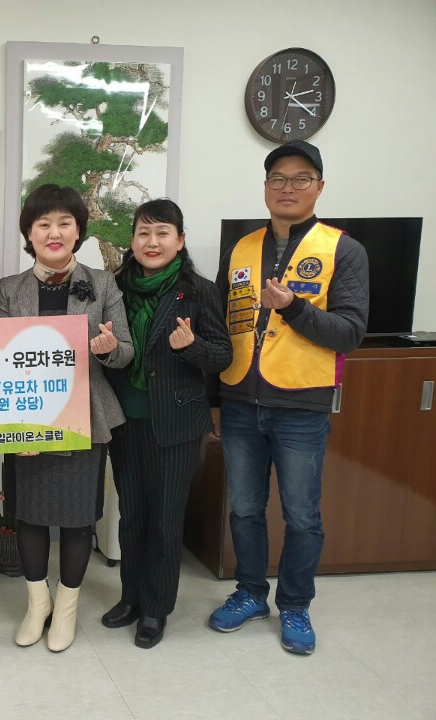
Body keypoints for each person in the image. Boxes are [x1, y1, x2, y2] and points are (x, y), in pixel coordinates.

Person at [207, 140, 369, 655]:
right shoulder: (241, 247)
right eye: (278, 178)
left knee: (301, 514)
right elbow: (220, 328)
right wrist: (215, 398)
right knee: (244, 508)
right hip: (239, 401)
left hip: (301, 405)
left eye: (301, 179)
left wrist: (294, 307)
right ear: (265, 187)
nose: (287, 188)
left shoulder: (343, 250)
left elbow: (350, 332)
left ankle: (295, 605)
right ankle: (251, 593)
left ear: (319, 187)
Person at [0, 184, 133, 653]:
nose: (54, 233)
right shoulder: (10, 289)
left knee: (76, 518)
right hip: (25, 417)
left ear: (78, 231)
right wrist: (16, 427)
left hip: (84, 416)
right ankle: (38, 604)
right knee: (29, 515)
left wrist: (108, 349)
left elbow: (126, 351)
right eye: (43, 224)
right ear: (29, 233)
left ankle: (68, 609)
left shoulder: (104, 283)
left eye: (64, 223)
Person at [101, 199, 232, 649]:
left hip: (176, 423)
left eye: (162, 233)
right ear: (132, 240)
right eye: (143, 233)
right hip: (125, 419)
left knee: (165, 519)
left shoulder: (198, 290)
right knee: (132, 515)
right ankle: (131, 598)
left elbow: (223, 356)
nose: (152, 242)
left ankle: (156, 607)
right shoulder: (115, 287)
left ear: (180, 240)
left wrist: (191, 346)